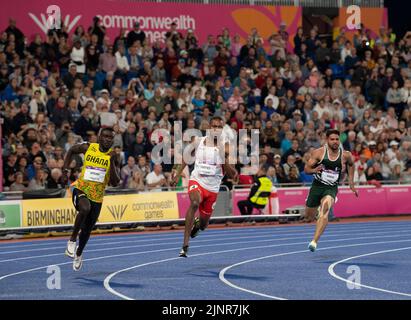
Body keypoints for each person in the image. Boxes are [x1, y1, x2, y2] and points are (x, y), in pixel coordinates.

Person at [172, 117, 237, 257]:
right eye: (213, 126)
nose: (215, 129)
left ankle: (197, 224)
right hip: (197, 180)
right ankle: (185, 245)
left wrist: (223, 158)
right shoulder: (198, 141)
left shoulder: (226, 147)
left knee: (203, 225)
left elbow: (233, 174)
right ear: (209, 128)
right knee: (194, 203)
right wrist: (177, 173)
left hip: (212, 189)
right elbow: (186, 157)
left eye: (218, 127)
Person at [62, 128, 121, 271]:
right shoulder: (89, 147)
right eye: (105, 136)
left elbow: (115, 182)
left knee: (87, 231)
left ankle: (79, 253)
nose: (108, 139)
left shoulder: (113, 156)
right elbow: (71, 150)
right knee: (84, 208)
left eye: (110, 138)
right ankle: (71, 240)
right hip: (80, 187)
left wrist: (112, 162)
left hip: (97, 197)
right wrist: (65, 170)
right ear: (99, 137)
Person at [304, 129, 358, 252]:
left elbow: (351, 164)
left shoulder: (345, 155)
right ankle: (315, 208)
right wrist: (314, 170)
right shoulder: (319, 153)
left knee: (325, 209)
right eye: (332, 139)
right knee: (308, 217)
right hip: (317, 186)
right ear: (327, 140)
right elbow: (306, 169)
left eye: (337, 139)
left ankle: (314, 241)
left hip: (331, 188)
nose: (335, 142)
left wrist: (351, 182)